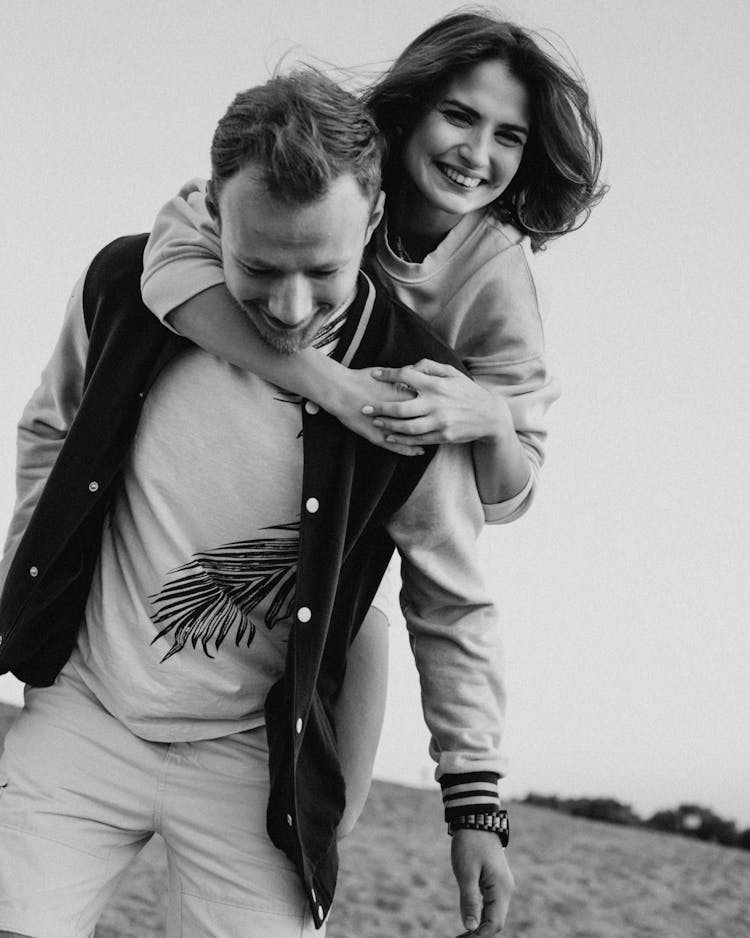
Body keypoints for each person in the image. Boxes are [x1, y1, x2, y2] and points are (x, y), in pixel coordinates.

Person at [0, 71, 512, 938]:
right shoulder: (128, 287)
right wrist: (25, 595)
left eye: (323, 270)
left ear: (375, 218)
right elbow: (50, 434)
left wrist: (476, 805)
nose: (289, 306)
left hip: (258, 756)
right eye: (259, 267)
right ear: (213, 214)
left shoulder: (420, 390)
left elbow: (450, 601)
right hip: (85, 708)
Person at [140, 6, 606, 819]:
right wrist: (325, 380)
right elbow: (171, 255)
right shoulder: (331, 170)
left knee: (329, 815)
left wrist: (489, 418)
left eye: (509, 135)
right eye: (459, 115)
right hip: (217, 487)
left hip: (349, 528)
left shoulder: (494, 271)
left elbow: (510, 493)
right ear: (412, 107)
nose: (477, 152)